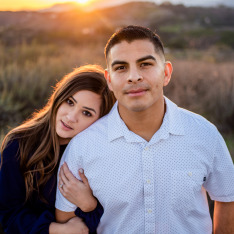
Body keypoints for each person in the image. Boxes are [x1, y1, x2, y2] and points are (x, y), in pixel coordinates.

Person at [55, 25, 234, 233]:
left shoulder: (204, 134)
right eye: (121, 67)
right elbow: (65, 218)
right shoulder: (84, 146)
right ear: (109, 80)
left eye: (145, 64)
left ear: (166, 73)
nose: (134, 76)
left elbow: (227, 197)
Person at [0, 65, 115, 234]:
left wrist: (89, 205)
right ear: (59, 96)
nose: (71, 117)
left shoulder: (100, 158)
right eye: (70, 102)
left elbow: (115, 222)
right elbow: (7, 213)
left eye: (87, 113)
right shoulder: (19, 144)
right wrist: (55, 229)